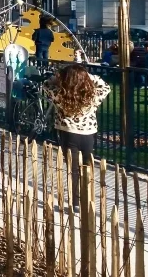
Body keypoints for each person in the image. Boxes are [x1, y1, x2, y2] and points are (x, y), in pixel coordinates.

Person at [44, 64, 110, 208]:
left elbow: (46, 84)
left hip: (68, 134)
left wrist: (57, 77)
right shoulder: (92, 95)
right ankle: (87, 199)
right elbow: (105, 86)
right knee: (86, 167)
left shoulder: (59, 95)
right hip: (88, 134)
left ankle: (75, 202)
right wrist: (88, 76)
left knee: (73, 169)